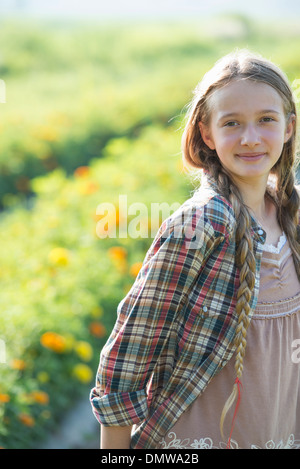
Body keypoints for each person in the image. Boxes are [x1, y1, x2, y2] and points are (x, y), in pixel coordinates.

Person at [90, 49, 300, 449]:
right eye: (232, 123)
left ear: (289, 127)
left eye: (266, 120)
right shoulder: (200, 226)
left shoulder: (294, 216)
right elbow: (126, 360)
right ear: (208, 133)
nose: (250, 137)